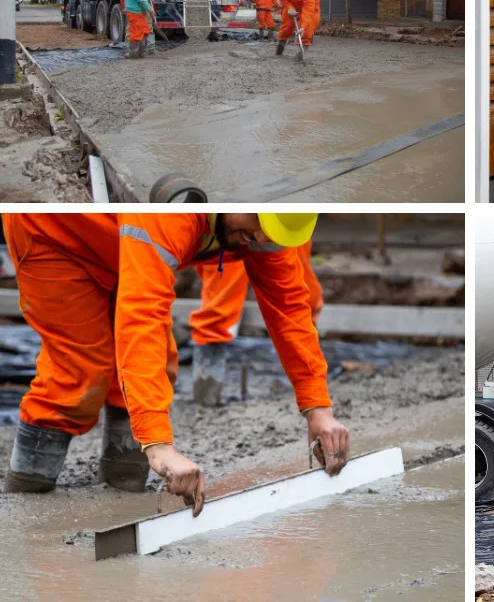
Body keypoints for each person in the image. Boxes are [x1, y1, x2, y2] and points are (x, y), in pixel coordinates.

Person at [1, 213, 349, 516]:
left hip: (124, 245)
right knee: (80, 372)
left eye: (270, 234)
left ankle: (123, 494)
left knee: (158, 367)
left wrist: (317, 407)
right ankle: (29, 498)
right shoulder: (172, 216)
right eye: (257, 223)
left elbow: (289, 309)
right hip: (56, 238)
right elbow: (142, 318)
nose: (259, 237)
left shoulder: (265, 231)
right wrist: (158, 445)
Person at [189, 239, 323, 407]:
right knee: (219, 301)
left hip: (283, 227)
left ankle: (309, 391)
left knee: (297, 289)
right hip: (233, 227)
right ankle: (206, 394)